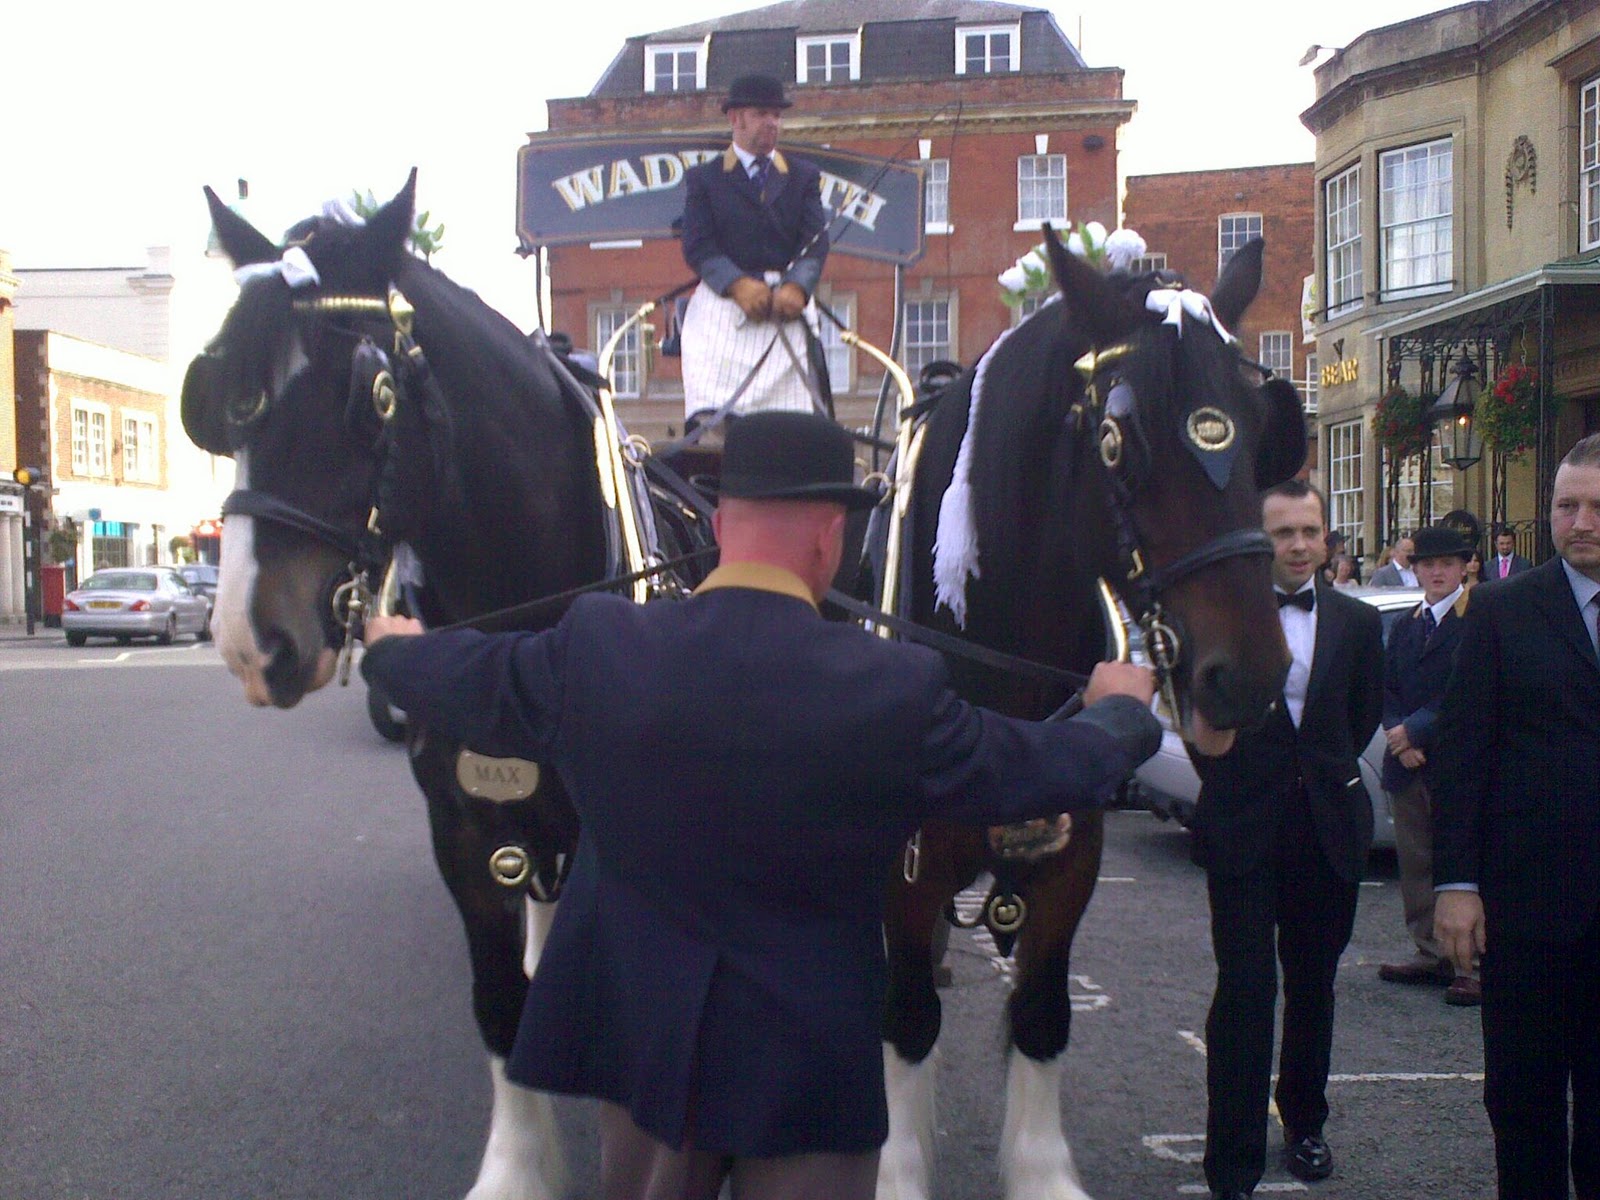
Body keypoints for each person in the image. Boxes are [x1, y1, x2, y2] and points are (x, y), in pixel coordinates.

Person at [360, 410, 1163, 1200]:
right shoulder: (892, 688)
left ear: (719, 522)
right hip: (805, 1075)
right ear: (828, 534)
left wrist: (392, 651)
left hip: (648, 1057)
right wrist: (1120, 712)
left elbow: (464, 679)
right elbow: (1035, 767)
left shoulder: (599, 645)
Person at [1188, 479, 1383, 1200]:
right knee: (1244, 990)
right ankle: (1231, 1157)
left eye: (1310, 530)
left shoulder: (1359, 624)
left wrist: (1317, 777)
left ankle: (1304, 1125)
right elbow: (1201, 722)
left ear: (1327, 535)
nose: (1300, 545)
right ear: (1256, 541)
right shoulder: (1220, 619)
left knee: (1314, 989)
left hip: (1328, 827)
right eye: (1283, 533)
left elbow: (1358, 720)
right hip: (1243, 826)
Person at [1431, 434, 1600, 1200]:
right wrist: (1456, 883)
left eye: (1596, 506)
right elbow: (1462, 757)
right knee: (1525, 1108)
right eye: (1566, 505)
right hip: (1528, 912)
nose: (1580, 521)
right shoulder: (1501, 611)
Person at [678, 73, 830, 426]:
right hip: (723, 309)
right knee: (715, 423)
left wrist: (798, 286)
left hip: (786, 307)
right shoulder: (705, 179)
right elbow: (698, 246)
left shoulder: (803, 177)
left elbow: (815, 243)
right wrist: (738, 285)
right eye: (762, 113)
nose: (772, 123)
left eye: (776, 115)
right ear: (736, 118)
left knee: (796, 424)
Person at [1375, 524, 1478, 1004]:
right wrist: (1398, 735)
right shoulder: (1406, 624)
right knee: (1415, 863)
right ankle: (1430, 951)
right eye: (1428, 565)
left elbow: (1464, 691)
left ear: (1463, 568)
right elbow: (1386, 685)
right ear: (1415, 570)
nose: (1437, 572)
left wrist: (1416, 731)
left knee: (1459, 864)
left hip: (1454, 766)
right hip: (1407, 764)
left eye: (1446, 565)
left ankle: (1470, 965)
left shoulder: (1477, 619)